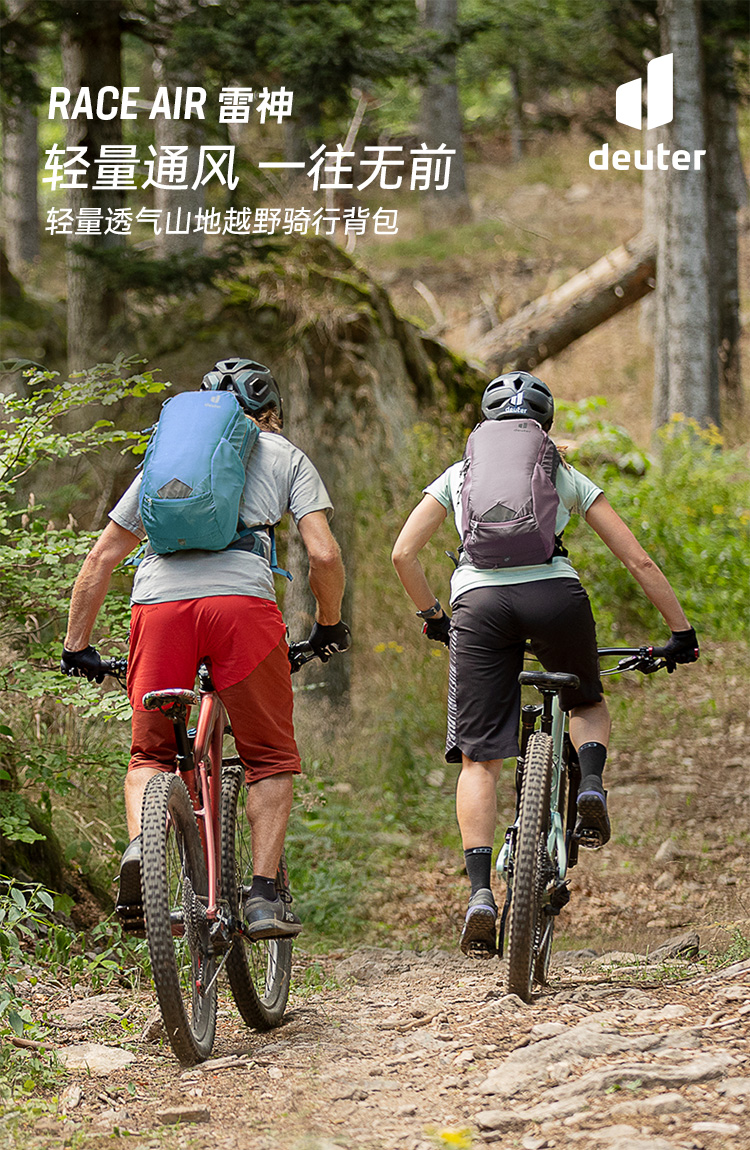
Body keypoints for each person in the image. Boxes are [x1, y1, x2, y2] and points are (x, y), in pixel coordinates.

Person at [392, 371, 698, 958]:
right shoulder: (560, 471)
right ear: (545, 426)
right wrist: (680, 633)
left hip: (477, 605)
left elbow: (403, 552)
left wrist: (433, 616)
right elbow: (637, 559)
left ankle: (480, 895)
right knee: (585, 700)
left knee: (479, 759)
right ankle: (592, 786)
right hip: (556, 597)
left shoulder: (459, 475)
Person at [61, 357, 350, 939]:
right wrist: (328, 623)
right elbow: (323, 554)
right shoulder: (285, 454)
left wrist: (77, 647)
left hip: (160, 607)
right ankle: (263, 898)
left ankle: (144, 849)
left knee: (149, 756)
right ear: (271, 412)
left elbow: (101, 557)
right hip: (240, 609)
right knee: (269, 757)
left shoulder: (168, 456)